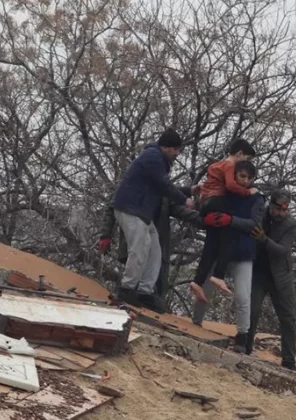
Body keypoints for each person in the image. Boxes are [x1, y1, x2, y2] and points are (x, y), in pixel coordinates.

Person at [109, 128, 193, 313]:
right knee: (139, 250)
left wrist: (190, 191)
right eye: (175, 150)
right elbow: (164, 185)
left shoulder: (156, 159)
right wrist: (185, 200)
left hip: (141, 211)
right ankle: (127, 288)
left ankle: (145, 290)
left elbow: (161, 185)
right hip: (132, 208)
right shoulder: (152, 156)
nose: (176, 154)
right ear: (167, 147)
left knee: (154, 250)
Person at [191, 160, 264, 352]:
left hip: (242, 251)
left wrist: (231, 221)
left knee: (242, 296)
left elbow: (255, 223)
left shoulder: (257, 198)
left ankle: (242, 336)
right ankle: (194, 324)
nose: (245, 180)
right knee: (203, 289)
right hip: (219, 248)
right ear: (235, 175)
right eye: (241, 176)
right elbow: (205, 212)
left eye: (249, 177)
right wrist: (204, 220)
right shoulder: (224, 192)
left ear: (253, 179)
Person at [100, 186, 201, 300]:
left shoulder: (165, 195)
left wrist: (205, 218)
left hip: (158, 247)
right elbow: (112, 206)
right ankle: (126, 297)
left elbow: (181, 210)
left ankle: (143, 303)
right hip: (135, 244)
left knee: (155, 290)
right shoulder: (134, 183)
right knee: (132, 287)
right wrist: (106, 234)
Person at [189, 139, 257, 303]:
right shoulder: (228, 166)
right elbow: (231, 186)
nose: (245, 163)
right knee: (229, 236)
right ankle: (219, 275)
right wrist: (249, 192)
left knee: (211, 245)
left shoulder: (215, 165)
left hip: (206, 204)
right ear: (239, 154)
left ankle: (198, 281)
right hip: (217, 201)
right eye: (246, 159)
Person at [245, 190, 296, 370]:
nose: (280, 214)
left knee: (288, 318)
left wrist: (263, 239)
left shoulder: (291, 224)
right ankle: (245, 348)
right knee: (252, 311)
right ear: (271, 205)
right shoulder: (260, 216)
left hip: (281, 276)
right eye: (277, 209)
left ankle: (289, 360)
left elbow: (282, 250)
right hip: (259, 272)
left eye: (284, 210)